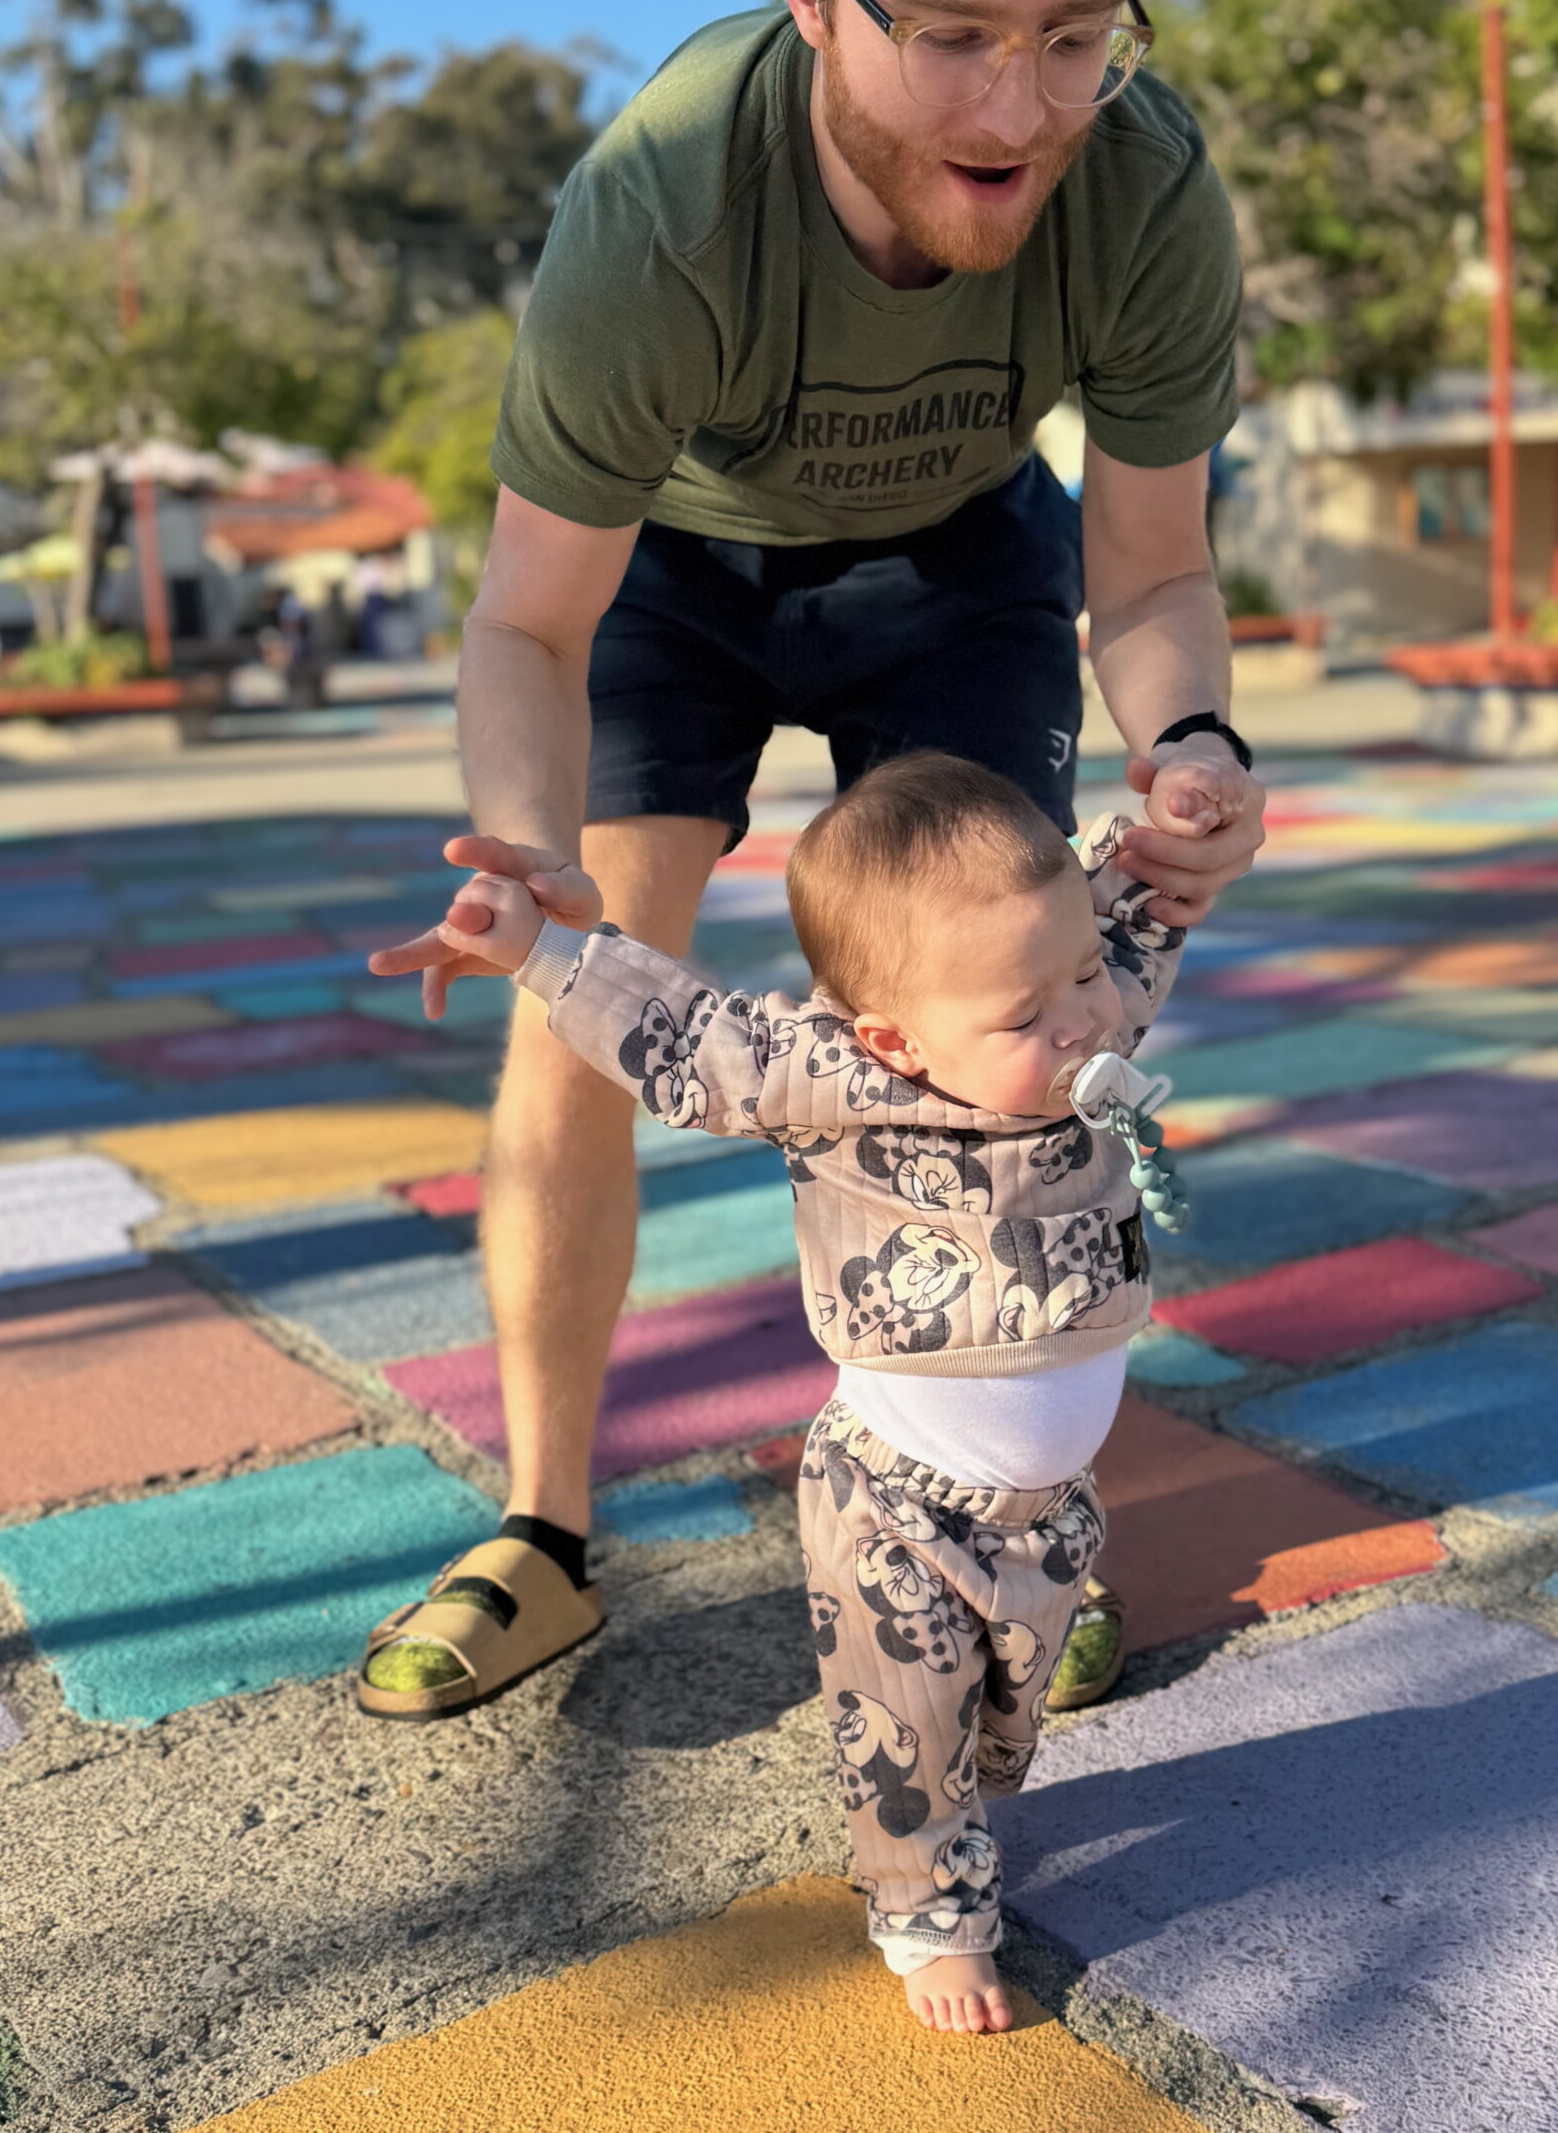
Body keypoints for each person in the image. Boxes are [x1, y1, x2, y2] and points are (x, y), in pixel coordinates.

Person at [360, 0, 1265, 1724]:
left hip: (955, 556)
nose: (1020, 108)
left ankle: (1008, 1510)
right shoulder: (672, 196)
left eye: (1077, 33)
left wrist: (1191, 744)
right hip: (670, 570)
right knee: (582, 997)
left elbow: (1160, 563)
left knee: (1015, 996)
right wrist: (525, 857)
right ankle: (542, 1530)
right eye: (951, 32)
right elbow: (526, 620)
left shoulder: (1148, 182)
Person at [368, 753, 1221, 2031]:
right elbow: (687, 1033)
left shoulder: (1072, 993)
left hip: (1050, 1505)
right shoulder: (832, 1079)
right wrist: (542, 951)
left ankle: (961, 1803)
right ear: (893, 1037)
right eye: (1030, 1012)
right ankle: (926, 1909)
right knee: (906, 1725)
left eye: (1087, 978)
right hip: (897, 1503)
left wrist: (1176, 828)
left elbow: (1130, 910)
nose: (1087, 1021)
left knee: (1004, 1722)